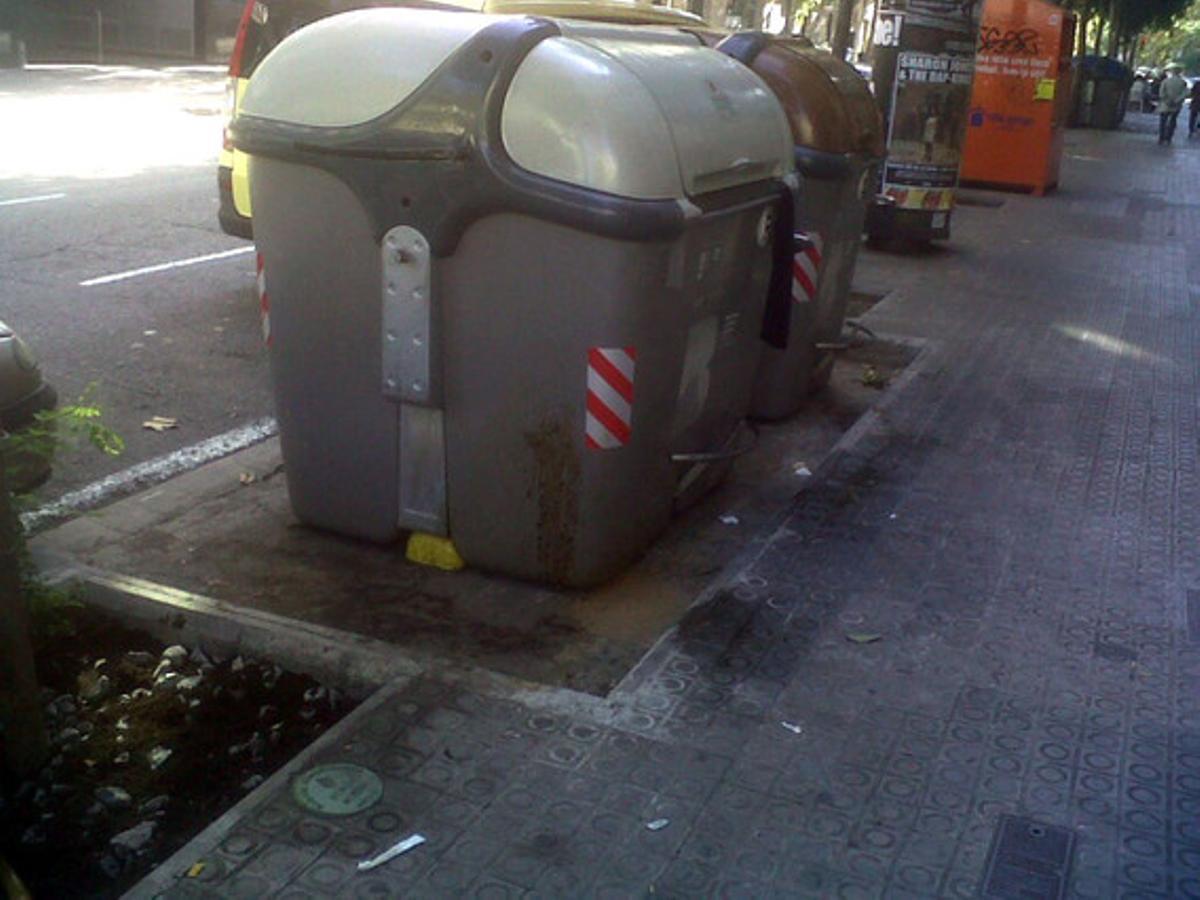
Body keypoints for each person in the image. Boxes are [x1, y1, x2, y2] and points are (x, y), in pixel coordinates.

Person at [1158, 65, 1188, 145]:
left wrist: (1166, 100)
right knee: (1173, 121)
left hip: (1165, 104)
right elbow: (1185, 93)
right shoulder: (1183, 82)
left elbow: (1161, 93)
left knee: (1163, 121)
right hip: (1176, 105)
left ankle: (1161, 137)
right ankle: (1169, 138)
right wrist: (1177, 100)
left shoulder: (1166, 81)